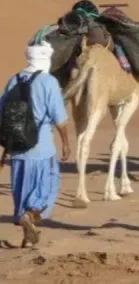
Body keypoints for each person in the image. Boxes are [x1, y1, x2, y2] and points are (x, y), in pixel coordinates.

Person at [0, 41, 70, 248]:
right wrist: (66, 143)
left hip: (17, 150)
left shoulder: (14, 80)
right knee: (46, 188)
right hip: (41, 148)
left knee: (23, 191)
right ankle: (30, 215)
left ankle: (27, 238)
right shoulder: (48, 82)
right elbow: (60, 118)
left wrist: (5, 149)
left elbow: (3, 115)